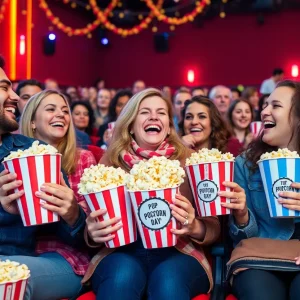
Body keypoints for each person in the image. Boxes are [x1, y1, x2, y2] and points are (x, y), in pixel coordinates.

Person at [83, 88, 221, 300]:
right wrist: (92, 233)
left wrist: (194, 226)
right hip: (122, 251)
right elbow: (91, 222)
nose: (154, 116)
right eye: (145, 112)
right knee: (122, 277)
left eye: (161, 112)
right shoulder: (111, 161)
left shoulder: (192, 160)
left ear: (168, 126)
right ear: (131, 124)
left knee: (168, 281)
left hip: (179, 250)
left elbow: (213, 227)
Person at [0, 57, 87, 299]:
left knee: (8, 279)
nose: (16, 98)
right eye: (4, 88)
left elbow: (66, 232)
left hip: (20, 260)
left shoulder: (34, 153)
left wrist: (72, 214)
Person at [228, 80, 300, 300]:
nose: (264, 111)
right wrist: (241, 216)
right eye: (265, 105)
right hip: (259, 258)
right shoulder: (244, 165)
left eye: (275, 106)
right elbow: (241, 238)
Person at [20, 89, 96, 210]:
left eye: (65, 111)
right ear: (32, 122)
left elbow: (91, 212)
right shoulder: (16, 161)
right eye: (51, 109)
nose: (61, 114)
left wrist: (72, 210)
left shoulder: (84, 158)